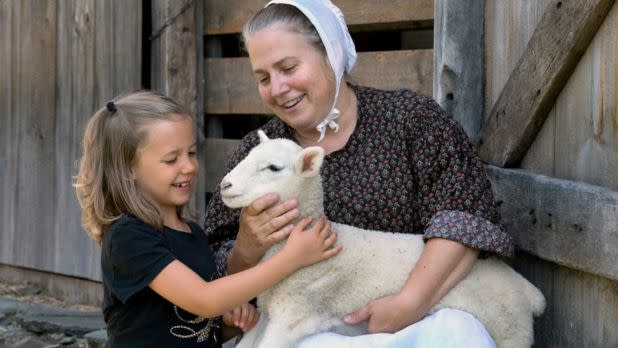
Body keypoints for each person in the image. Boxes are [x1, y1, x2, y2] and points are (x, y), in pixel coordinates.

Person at [203, 0, 515, 346]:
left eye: (288, 68)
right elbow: (217, 283)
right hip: (308, 332)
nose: (276, 89)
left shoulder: (410, 121)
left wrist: (409, 302)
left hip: (421, 320)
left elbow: (462, 218)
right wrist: (246, 249)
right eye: (263, 78)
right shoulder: (259, 152)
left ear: (330, 54)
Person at [73, 90, 342, 348]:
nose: (189, 166)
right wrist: (291, 258)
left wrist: (228, 323)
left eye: (190, 152)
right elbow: (204, 299)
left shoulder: (192, 233)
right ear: (129, 168)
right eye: (171, 159)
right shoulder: (128, 237)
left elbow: (196, 328)